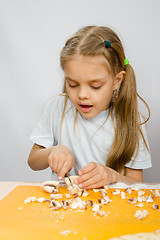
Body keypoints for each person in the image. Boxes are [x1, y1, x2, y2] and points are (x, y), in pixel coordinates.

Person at [28, 25, 151, 189]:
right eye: (73, 84)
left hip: (110, 209)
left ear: (117, 80)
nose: (82, 95)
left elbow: (137, 183)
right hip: (66, 208)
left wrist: (111, 176)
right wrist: (52, 152)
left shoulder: (132, 120)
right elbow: (33, 161)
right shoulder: (56, 107)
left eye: (95, 86)